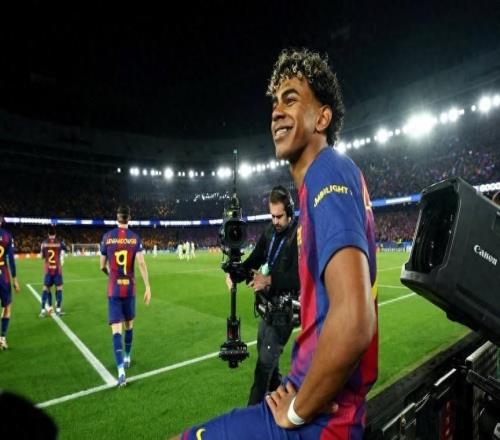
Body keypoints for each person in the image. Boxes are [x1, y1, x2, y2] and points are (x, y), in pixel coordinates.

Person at [173, 48, 378, 439]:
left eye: (291, 99)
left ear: (322, 118)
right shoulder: (325, 180)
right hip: (318, 400)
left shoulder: (327, 171)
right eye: (275, 103)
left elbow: (355, 321)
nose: (277, 112)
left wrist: (298, 411)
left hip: (320, 421)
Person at [226, 185, 299, 406]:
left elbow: (301, 276)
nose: (275, 221)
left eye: (279, 216)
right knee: (269, 364)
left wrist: (269, 280)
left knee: (263, 368)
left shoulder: (298, 235)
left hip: (284, 313)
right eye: (272, 216)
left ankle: (251, 416)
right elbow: (254, 260)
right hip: (266, 309)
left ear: (290, 212)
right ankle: (281, 406)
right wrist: (235, 273)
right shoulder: (269, 232)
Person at [100, 205, 152, 387]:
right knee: (129, 326)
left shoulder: (107, 237)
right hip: (129, 288)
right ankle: (128, 357)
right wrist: (148, 286)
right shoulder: (135, 238)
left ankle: (121, 371)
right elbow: (141, 263)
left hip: (114, 289)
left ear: (117, 217)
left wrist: (111, 275)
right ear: (129, 218)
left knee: (116, 330)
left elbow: (102, 266)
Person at [0, 215, 20, 350]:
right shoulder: (7, 235)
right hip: (3, 276)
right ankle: (2, 338)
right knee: (7, 306)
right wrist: (15, 279)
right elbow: (11, 260)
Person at [40, 226, 66, 317]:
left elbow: (42, 256)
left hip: (48, 270)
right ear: (55, 234)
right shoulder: (59, 243)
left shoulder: (44, 243)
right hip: (57, 270)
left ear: (48, 234)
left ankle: (43, 310)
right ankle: (58, 309)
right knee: (59, 288)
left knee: (46, 289)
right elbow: (63, 252)